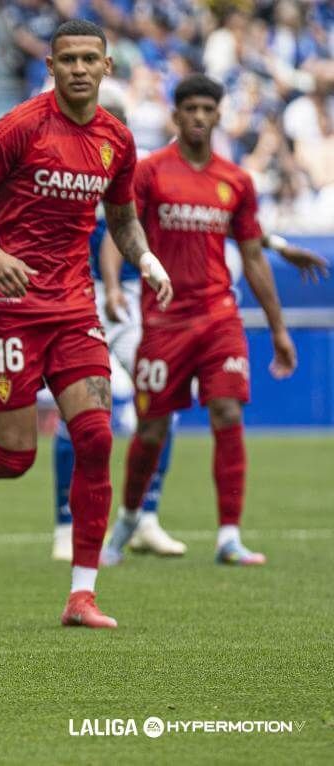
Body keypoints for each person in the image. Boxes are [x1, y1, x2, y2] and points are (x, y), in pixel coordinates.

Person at [0, 20, 173, 629]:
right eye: (66, 58)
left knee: (96, 436)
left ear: (107, 66)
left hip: (72, 306)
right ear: (49, 64)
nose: (77, 68)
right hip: (9, 305)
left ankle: (82, 595)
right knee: (17, 457)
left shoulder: (117, 140)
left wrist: (145, 259)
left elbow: (121, 220)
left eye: (88, 59)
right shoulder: (20, 126)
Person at [116, 74, 329, 567]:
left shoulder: (236, 180)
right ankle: (128, 518)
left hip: (219, 316)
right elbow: (120, 229)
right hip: (164, 320)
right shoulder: (149, 173)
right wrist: (111, 284)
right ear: (175, 115)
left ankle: (229, 535)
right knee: (151, 429)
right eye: (188, 108)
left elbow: (252, 256)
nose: (197, 117)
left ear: (217, 115)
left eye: (205, 109)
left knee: (228, 413)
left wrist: (277, 329)